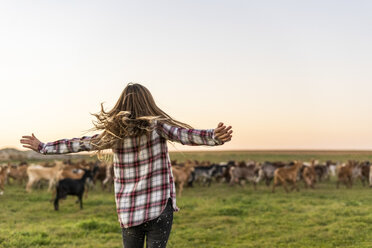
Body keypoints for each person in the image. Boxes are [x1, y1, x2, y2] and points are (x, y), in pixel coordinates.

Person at [20, 83, 233, 248]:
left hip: (129, 210)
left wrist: (43, 147)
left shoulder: (113, 133)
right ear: (149, 103)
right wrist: (214, 136)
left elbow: (80, 143)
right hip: (159, 207)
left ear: (121, 105)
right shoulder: (158, 126)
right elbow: (186, 135)